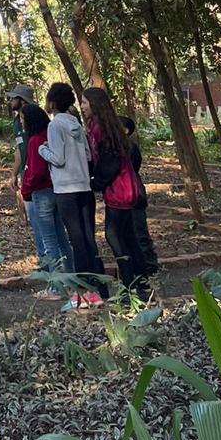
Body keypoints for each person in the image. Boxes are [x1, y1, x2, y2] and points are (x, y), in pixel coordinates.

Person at [39, 81, 108, 308]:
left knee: (76, 241)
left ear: (52, 102)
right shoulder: (76, 123)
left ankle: (84, 292)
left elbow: (58, 158)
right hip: (84, 188)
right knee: (88, 239)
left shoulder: (55, 125)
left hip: (66, 190)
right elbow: (87, 155)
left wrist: (42, 150)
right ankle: (100, 289)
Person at [81, 88, 151, 300]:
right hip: (123, 189)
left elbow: (109, 163)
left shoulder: (102, 130)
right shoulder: (102, 127)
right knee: (128, 237)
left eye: (84, 102)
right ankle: (142, 283)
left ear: (95, 104)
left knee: (114, 237)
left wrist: (95, 182)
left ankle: (128, 287)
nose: (82, 107)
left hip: (119, 191)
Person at [20, 103, 74, 298]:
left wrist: (25, 189)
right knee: (62, 238)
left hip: (41, 193)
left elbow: (35, 172)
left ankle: (56, 287)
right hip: (55, 189)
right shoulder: (49, 135)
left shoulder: (35, 140)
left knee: (49, 240)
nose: (21, 122)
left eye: (23, 119)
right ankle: (71, 279)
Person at [120, 116, 160, 276]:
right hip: (130, 192)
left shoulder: (129, 148)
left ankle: (149, 266)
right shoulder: (124, 147)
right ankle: (140, 266)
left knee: (139, 232)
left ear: (125, 130)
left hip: (133, 193)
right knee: (131, 233)